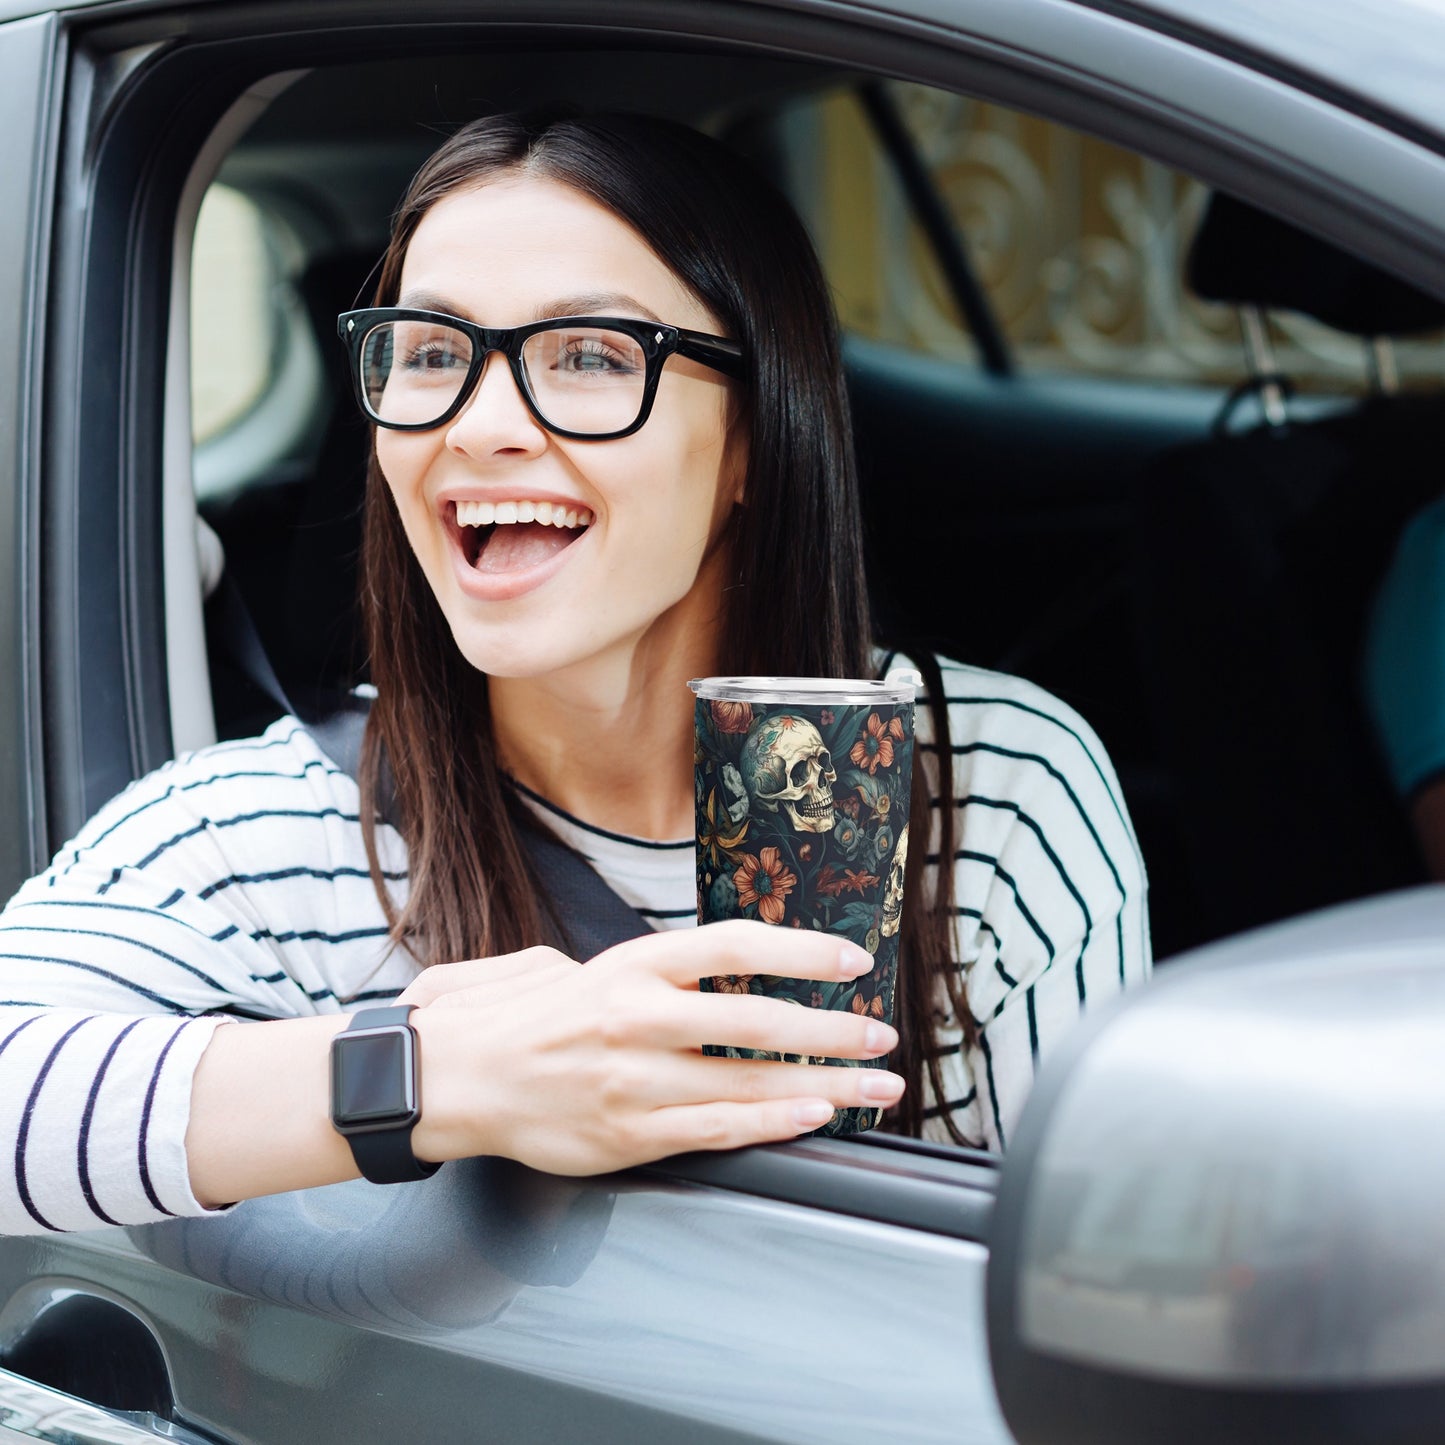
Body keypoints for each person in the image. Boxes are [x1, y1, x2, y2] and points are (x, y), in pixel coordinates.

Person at [0, 113, 1149, 1236]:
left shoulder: (986, 788)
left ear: (754, 434)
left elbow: (1111, 1278)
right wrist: (436, 1072)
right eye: (435, 353)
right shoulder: (272, 831)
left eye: (592, 355)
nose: (482, 423)